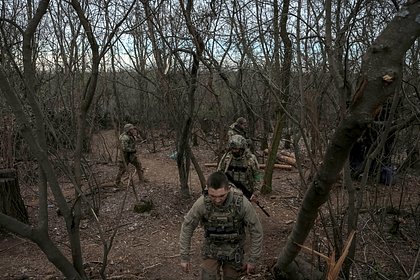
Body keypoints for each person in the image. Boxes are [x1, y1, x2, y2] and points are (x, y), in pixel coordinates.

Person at [179, 171, 263, 280]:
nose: (217, 200)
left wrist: (253, 259)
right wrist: (184, 257)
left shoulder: (241, 203)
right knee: (208, 277)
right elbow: (187, 226)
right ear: (207, 189)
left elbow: (256, 230)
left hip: (234, 249)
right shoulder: (202, 203)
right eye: (213, 196)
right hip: (211, 248)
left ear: (228, 189)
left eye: (221, 195)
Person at [217, 134, 261, 202]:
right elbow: (220, 172)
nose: (234, 151)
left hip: (246, 191)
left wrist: (256, 192)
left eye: (236, 149)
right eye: (232, 149)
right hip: (230, 191)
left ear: (242, 148)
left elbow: (257, 175)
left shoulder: (250, 159)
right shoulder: (227, 158)